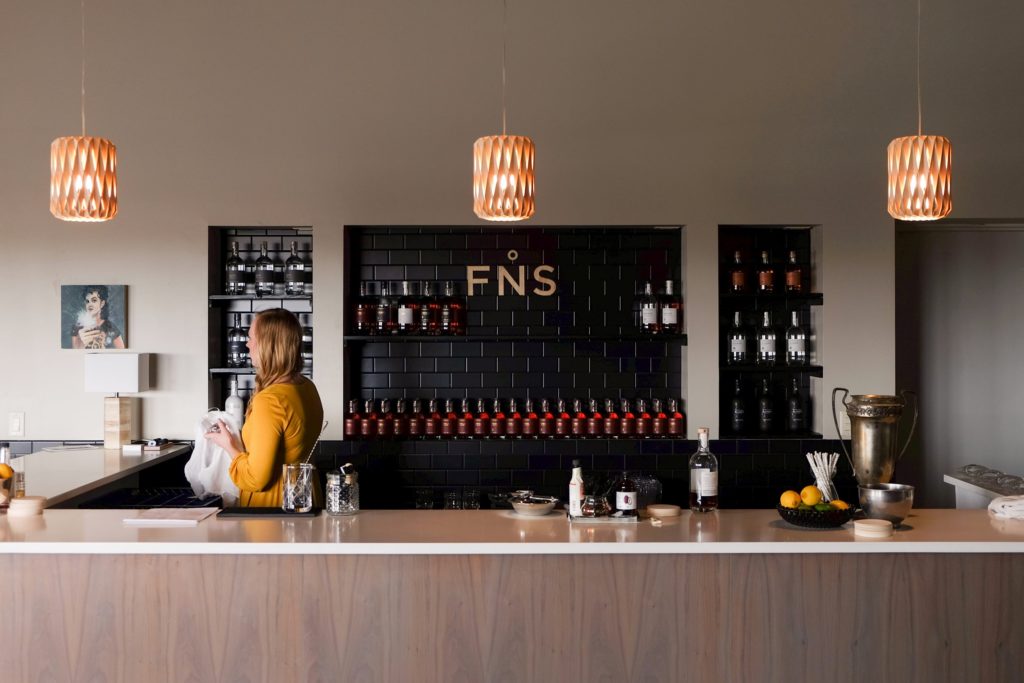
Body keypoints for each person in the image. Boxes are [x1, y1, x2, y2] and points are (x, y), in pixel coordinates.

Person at [204, 308, 324, 507]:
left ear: (268, 345)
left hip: (274, 512)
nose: (247, 344)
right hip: (305, 500)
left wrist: (230, 446)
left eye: (251, 337)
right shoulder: (306, 386)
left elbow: (255, 478)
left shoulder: (271, 400)